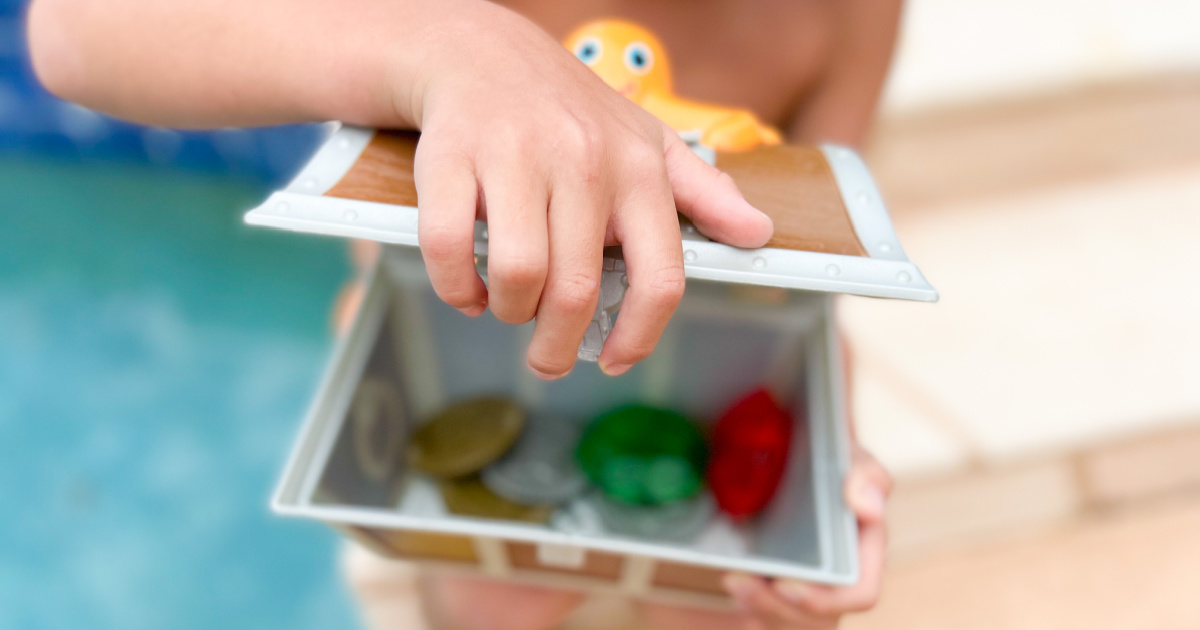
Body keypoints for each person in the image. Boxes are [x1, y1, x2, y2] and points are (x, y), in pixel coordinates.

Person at [26, 0, 900, 627]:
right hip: (453, 350)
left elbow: (801, 265)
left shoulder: (837, 15)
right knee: (492, 597)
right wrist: (445, 37)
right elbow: (71, 29)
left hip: (689, 377)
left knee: (733, 607)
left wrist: (824, 450)